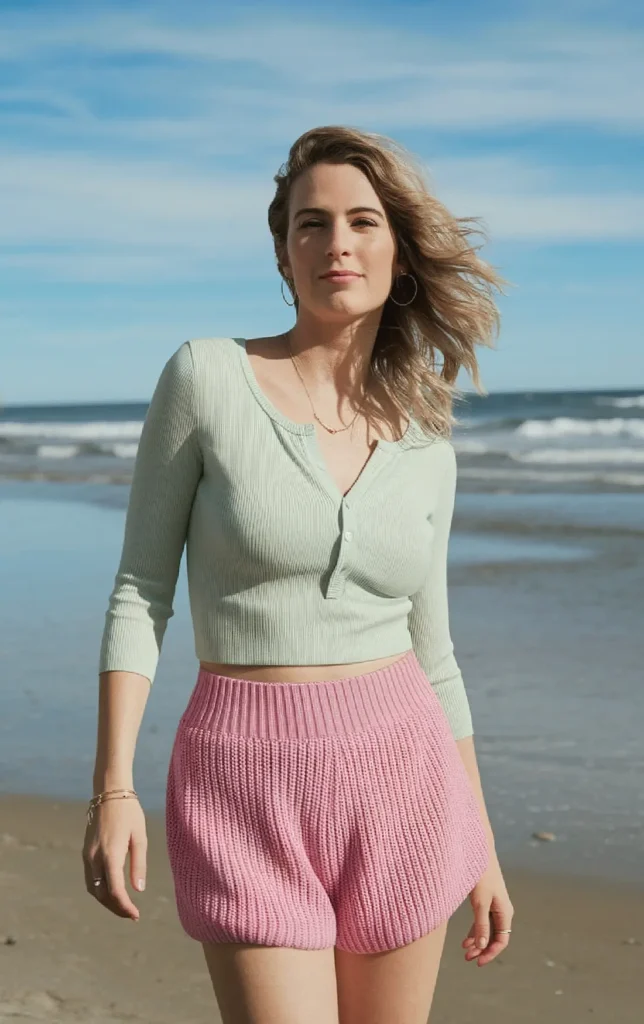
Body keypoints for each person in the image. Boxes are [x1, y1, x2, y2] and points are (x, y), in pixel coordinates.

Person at [82, 125, 514, 1024]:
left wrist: (482, 843)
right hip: (242, 784)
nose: (336, 244)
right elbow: (140, 593)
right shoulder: (207, 377)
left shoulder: (428, 440)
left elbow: (435, 653)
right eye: (311, 224)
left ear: (399, 251)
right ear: (284, 253)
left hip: (406, 779)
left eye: (363, 221)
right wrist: (114, 787)